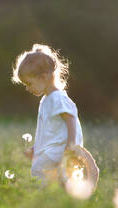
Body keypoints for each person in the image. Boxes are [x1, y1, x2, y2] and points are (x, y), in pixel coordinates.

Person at [12, 43, 94, 188]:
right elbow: (48, 131)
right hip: (54, 147)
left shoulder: (57, 97)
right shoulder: (47, 99)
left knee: (38, 168)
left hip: (62, 147)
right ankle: (62, 192)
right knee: (58, 174)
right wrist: (36, 148)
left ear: (43, 77)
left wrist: (71, 144)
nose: (27, 88)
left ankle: (42, 193)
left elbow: (70, 118)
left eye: (29, 83)